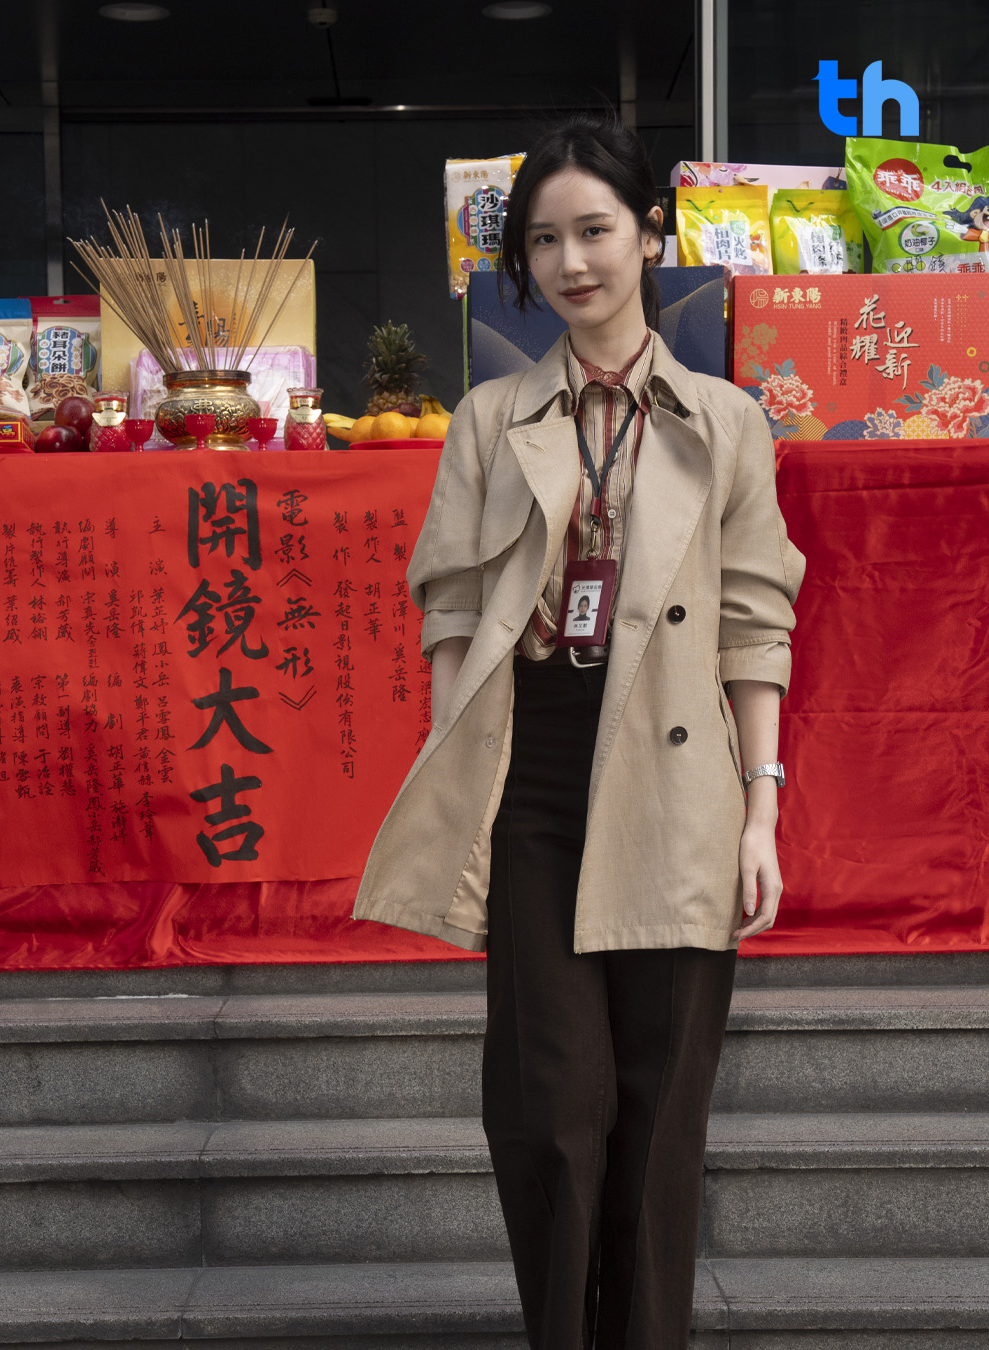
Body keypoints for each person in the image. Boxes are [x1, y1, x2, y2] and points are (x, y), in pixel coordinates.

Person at [354, 112, 805, 1350]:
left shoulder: (725, 420)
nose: (571, 263)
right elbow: (452, 612)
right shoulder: (489, 418)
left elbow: (754, 624)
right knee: (548, 1109)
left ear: (649, 234)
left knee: (660, 1121)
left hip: (680, 772)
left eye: (595, 231)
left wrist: (761, 807)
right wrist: (461, 773)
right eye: (544, 241)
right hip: (537, 771)